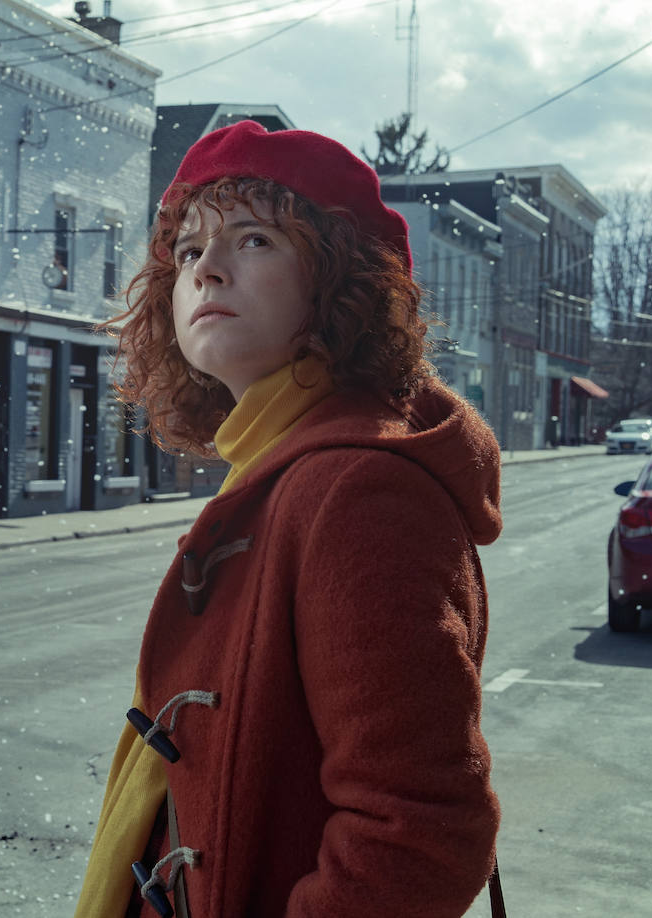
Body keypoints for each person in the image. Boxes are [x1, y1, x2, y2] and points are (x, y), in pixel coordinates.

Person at [74, 120, 503, 918]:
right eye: (191, 250)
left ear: (341, 282)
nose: (208, 271)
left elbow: (420, 833)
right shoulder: (278, 465)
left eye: (256, 240)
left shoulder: (359, 490)